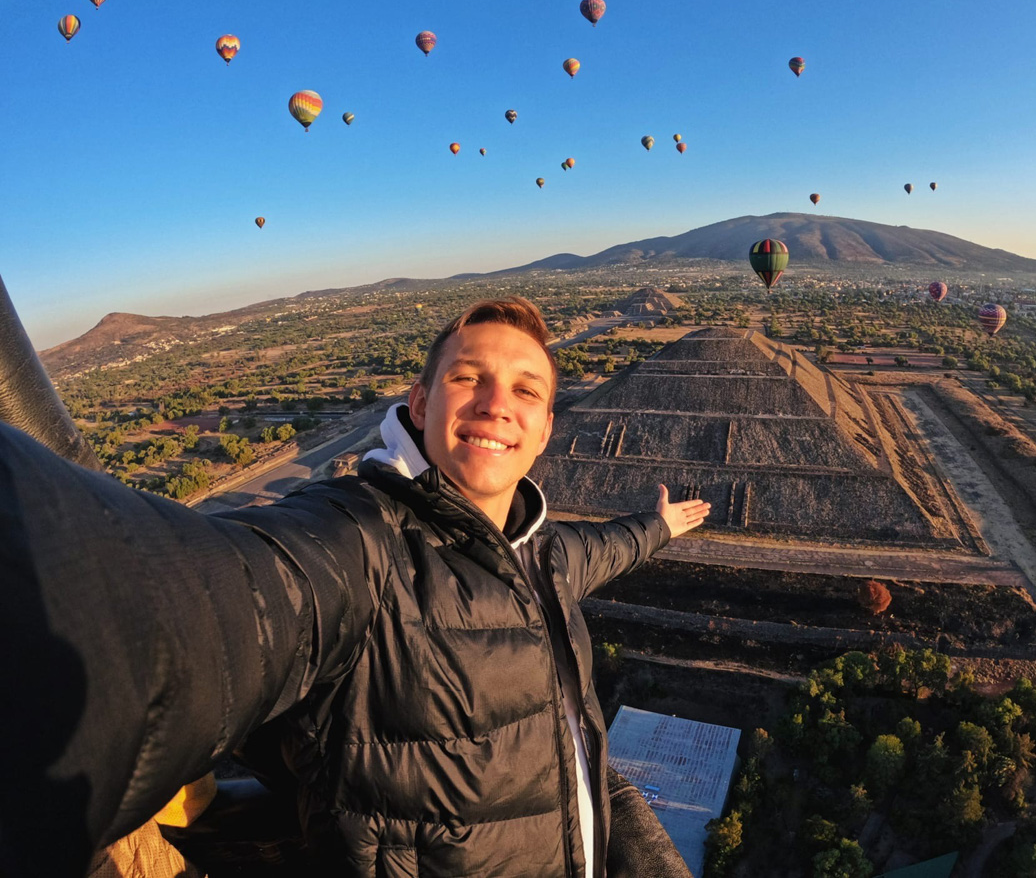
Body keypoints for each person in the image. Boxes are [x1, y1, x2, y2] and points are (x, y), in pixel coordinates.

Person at [0, 296, 711, 878]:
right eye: (469, 378)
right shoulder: (359, 539)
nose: (498, 404)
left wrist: (659, 524)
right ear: (420, 400)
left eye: (526, 390)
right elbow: (211, 600)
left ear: (547, 427)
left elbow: (600, 549)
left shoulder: (542, 551)